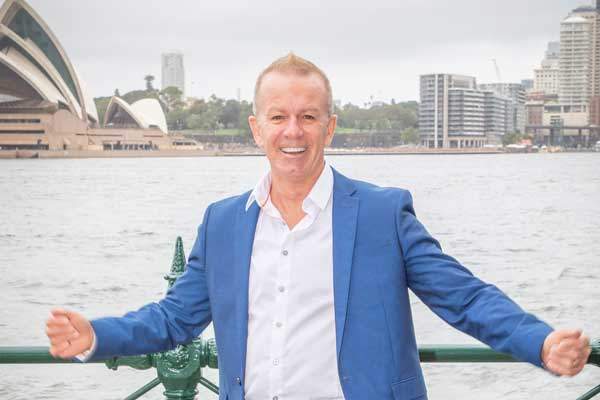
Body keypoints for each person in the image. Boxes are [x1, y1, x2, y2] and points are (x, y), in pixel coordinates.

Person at [46, 54, 591, 400]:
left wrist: (539, 342)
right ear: (256, 128)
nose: (293, 131)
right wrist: (96, 336)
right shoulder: (223, 223)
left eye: (308, 116)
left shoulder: (383, 213)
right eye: (279, 116)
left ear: (329, 127)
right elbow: (175, 318)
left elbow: (464, 298)